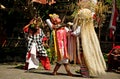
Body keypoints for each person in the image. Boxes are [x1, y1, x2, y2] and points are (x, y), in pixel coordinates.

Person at [71, 8, 107, 77]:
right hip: (90, 45)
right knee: (88, 58)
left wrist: (70, 33)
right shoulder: (90, 26)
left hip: (84, 45)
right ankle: (88, 71)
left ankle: (85, 73)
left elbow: (75, 33)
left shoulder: (81, 26)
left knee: (84, 59)